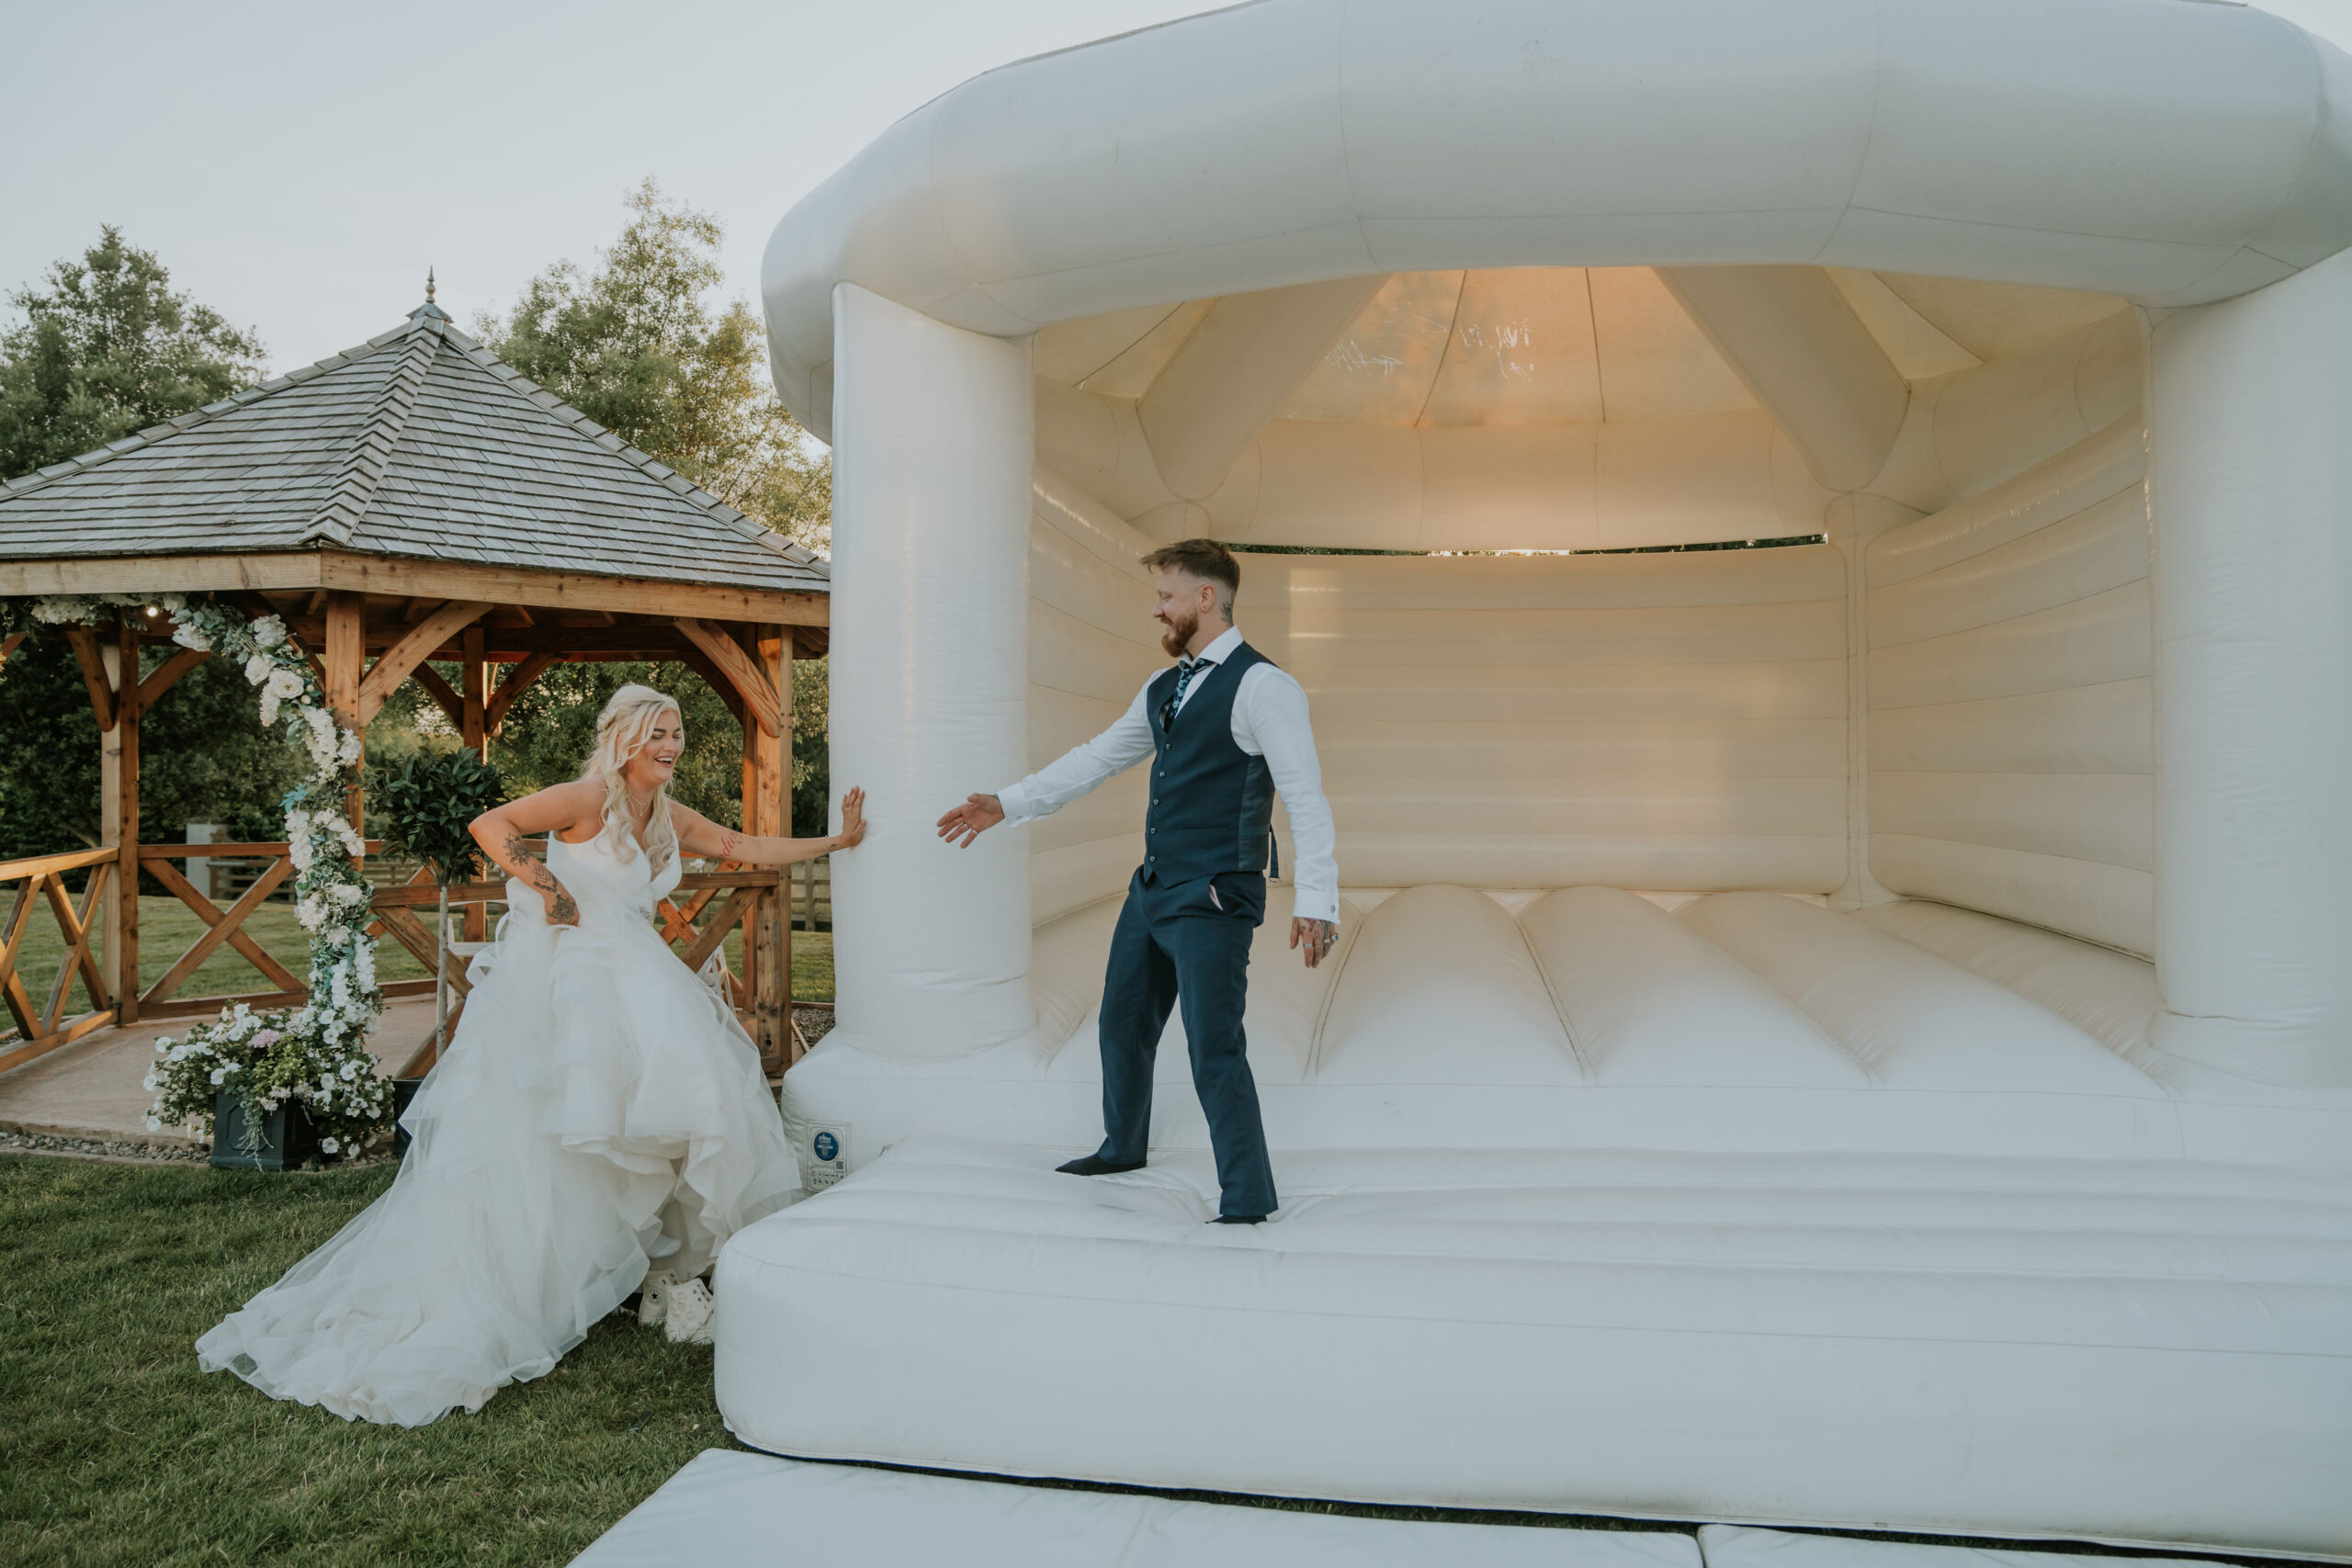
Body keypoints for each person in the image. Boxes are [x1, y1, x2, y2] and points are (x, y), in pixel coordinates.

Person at [197, 684, 865, 1426]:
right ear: (623, 740)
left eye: (675, 733)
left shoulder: (667, 816)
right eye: (656, 734)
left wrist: (834, 843)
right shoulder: (585, 796)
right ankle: (556, 1282)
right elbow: (493, 823)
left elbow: (744, 846)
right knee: (565, 1134)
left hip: (637, 983)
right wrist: (545, 882)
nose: (670, 745)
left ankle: (668, 1278)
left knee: (678, 1107)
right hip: (568, 986)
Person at [936, 539, 1338, 1224]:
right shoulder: (1165, 687)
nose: (1157, 609)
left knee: (1214, 1046)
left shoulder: (1265, 687)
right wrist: (1007, 802)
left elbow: (1305, 795)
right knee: (1121, 1024)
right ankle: (1122, 1146)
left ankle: (1246, 1196)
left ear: (1206, 598)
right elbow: (1095, 758)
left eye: (1167, 595)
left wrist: (1317, 899)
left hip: (1214, 893)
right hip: (1153, 888)